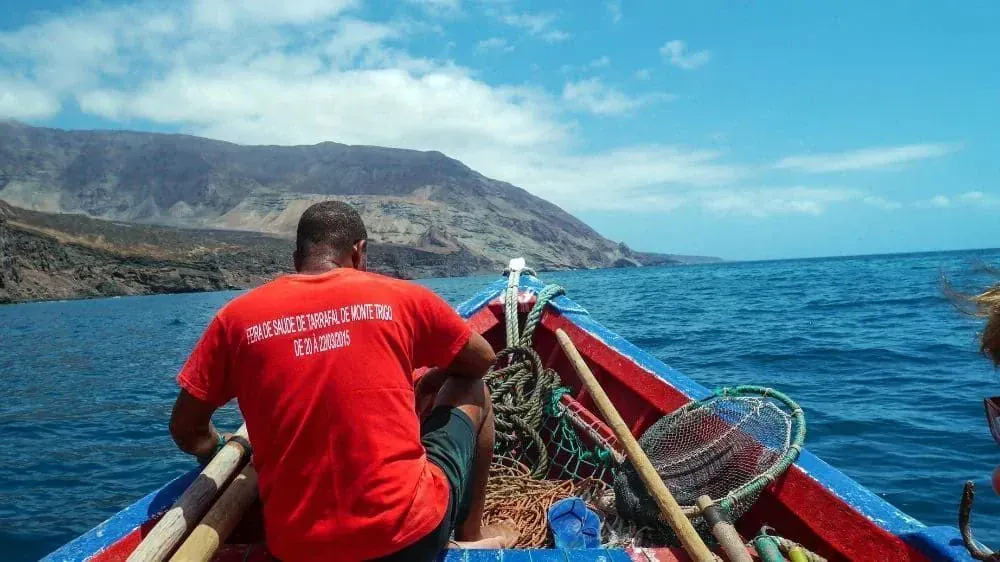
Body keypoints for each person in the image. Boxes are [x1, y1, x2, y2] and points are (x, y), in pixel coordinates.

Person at [168, 201, 517, 561]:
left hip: (297, 550)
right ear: (359, 251)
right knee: (474, 388)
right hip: (411, 539)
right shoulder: (401, 296)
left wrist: (217, 449)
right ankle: (471, 532)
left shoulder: (235, 319)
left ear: (296, 258)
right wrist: (432, 380)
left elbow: (186, 430)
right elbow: (482, 361)